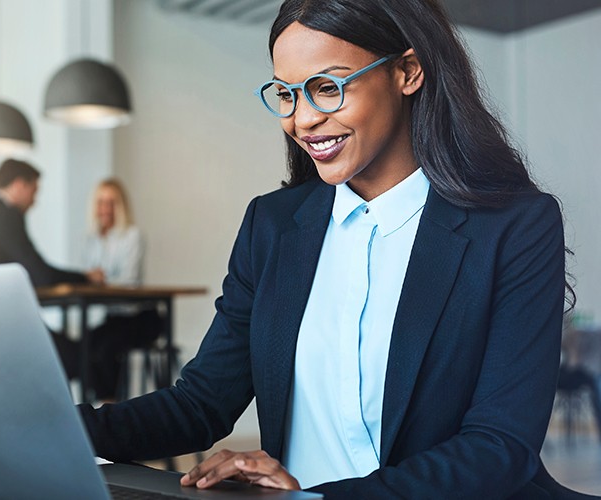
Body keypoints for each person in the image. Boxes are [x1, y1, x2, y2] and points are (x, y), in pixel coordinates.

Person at [76, 0, 576, 498]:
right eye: (287, 95)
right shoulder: (271, 226)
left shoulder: (515, 227)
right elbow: (201, 403)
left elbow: (499, 446)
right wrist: (51, 426)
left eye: (327, 87)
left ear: (408, 71)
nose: (303, 120)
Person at [0, 158, 104, 379]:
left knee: (72, 352)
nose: (35, 201)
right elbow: (41, 274)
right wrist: (86, 277)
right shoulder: (6, 214)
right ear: (19, 185)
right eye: (34, 191)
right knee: (80, 357)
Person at [81, 178, 162, 402]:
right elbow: (89, 277)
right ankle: (101, 406)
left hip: (138, 318)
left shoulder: (132, 235)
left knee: (106, 349)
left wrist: (98, 279)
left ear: (121, 206)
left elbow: (129, 280)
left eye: (111, 202)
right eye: (101, 202)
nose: (105, 209)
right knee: (85, 348)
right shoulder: (92, 240)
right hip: (112, 317)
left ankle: (112, 408)